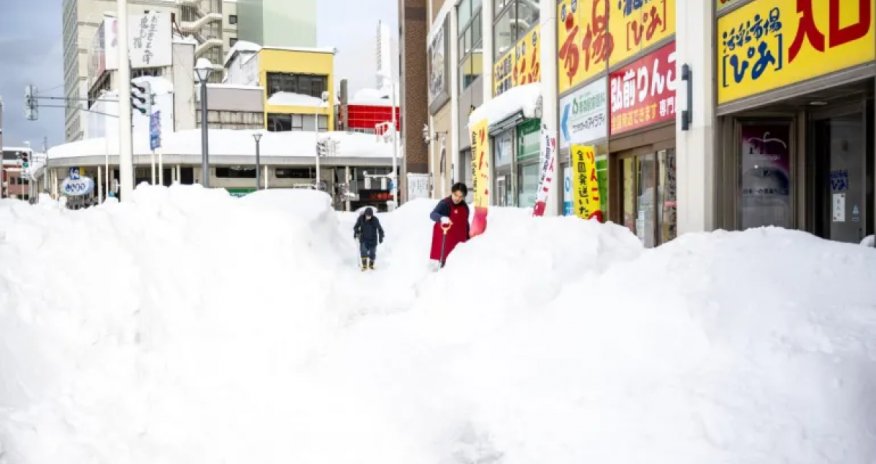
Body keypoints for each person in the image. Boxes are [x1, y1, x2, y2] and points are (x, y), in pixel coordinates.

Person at [429, 183, 470, 267]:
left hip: (460, 245)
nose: (457, 198)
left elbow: (465, 223)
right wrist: (441, 218)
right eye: (456, 195)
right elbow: (433, 214)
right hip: (446, 245)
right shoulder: (445, 204)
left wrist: (468, 238)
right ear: (452, 192)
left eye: (460, 196)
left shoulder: (465, 207)